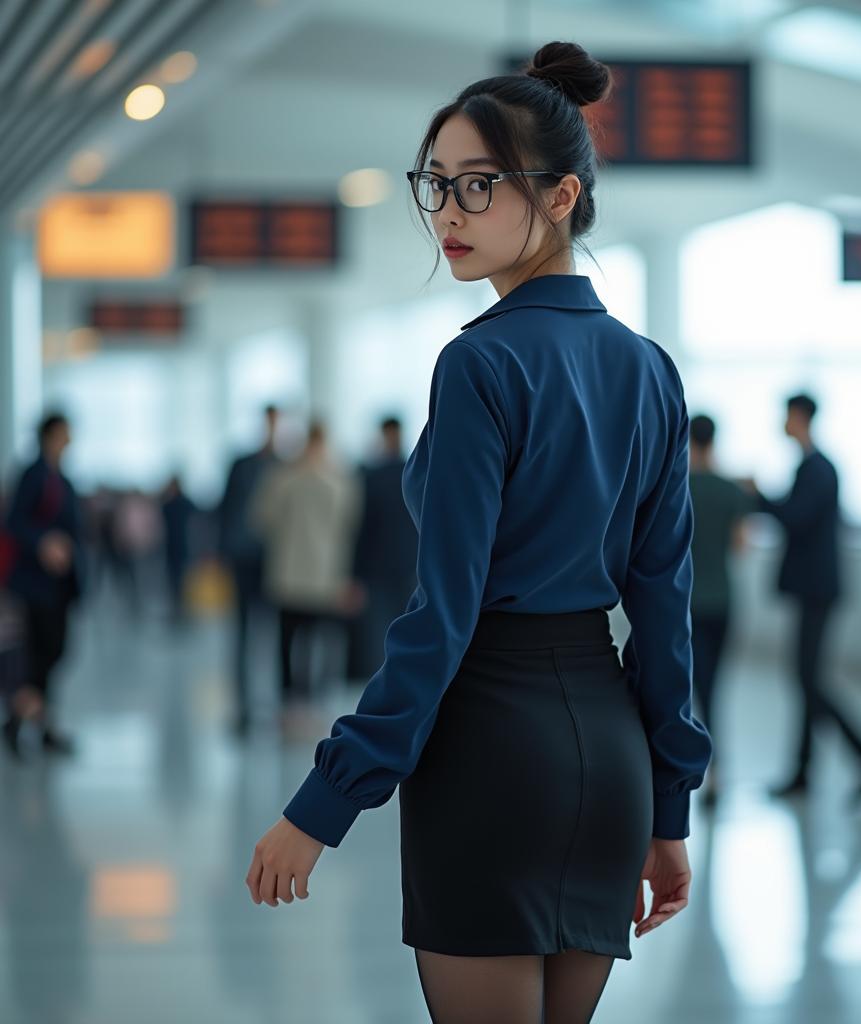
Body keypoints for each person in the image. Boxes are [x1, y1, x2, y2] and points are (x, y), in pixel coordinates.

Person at [245, 43, 712, 1024]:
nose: (449, 214)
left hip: (492, 755)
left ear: (560, 195)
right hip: (608, 764)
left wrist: (322, 806)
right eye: (438, 186)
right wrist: (667, 809)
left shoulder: (479, 367)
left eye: (479, 186)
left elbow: (438, 620)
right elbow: (663, 614)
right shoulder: (650, 369)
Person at [750, 393, 861, 806]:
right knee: (805, 679)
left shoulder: (819, 469)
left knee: (809, 680)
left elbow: (796, 518)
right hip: (813, 589)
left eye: (786, 416)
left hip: (817, 590)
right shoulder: (811, 467)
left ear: (800, 417)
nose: (782, 423)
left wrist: (758, 496)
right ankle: (804, 772)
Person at [252, 421, 365, 711]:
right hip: (325, 573)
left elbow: (263, 518)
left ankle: (291, 698)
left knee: (288, 639)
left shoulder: (284, 477)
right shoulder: (341, 479)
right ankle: (315, 695)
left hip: (289, 571)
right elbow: (351, 525)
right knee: (322, 638)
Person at [1, 413, 83, 757]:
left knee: (53, 652)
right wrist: (43, 542)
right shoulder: (35, 474)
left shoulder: (60, 477)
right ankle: (24, 721)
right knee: (37, 655)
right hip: (34, 583)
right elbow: (14, 522)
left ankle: (34, 720)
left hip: (58, 585)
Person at [688, 414, 755, 807]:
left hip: (688, 602)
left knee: (686, 689)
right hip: (724, 602)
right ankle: (718, 772)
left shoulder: (677, 486)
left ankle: (682, 770)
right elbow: (741, 546)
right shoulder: (732, 491)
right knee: (715, 690)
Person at [218, 405, 281, 735]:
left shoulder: (284, 465)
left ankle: (268, 706)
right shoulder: (242, 464)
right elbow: (225, 508)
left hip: (275, 563)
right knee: (242, 634)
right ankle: (243, 706)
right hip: (243, 559)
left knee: (272, 636)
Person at [346, 416, 418, 683]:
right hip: (408, 564)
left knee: (379, 637)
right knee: (404, 631)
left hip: (380, 566)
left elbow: (361, 526)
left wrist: (354, 572)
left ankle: (383, 690)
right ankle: (402, 686)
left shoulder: (372, 475)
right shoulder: (416, 470)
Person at [160, 475, 196, 624]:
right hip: (173, 547)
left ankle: (183, 611)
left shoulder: (181, 503)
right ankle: (178, 611)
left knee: (182, 581)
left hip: (182, 547)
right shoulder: (174, 503)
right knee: (173, 581)